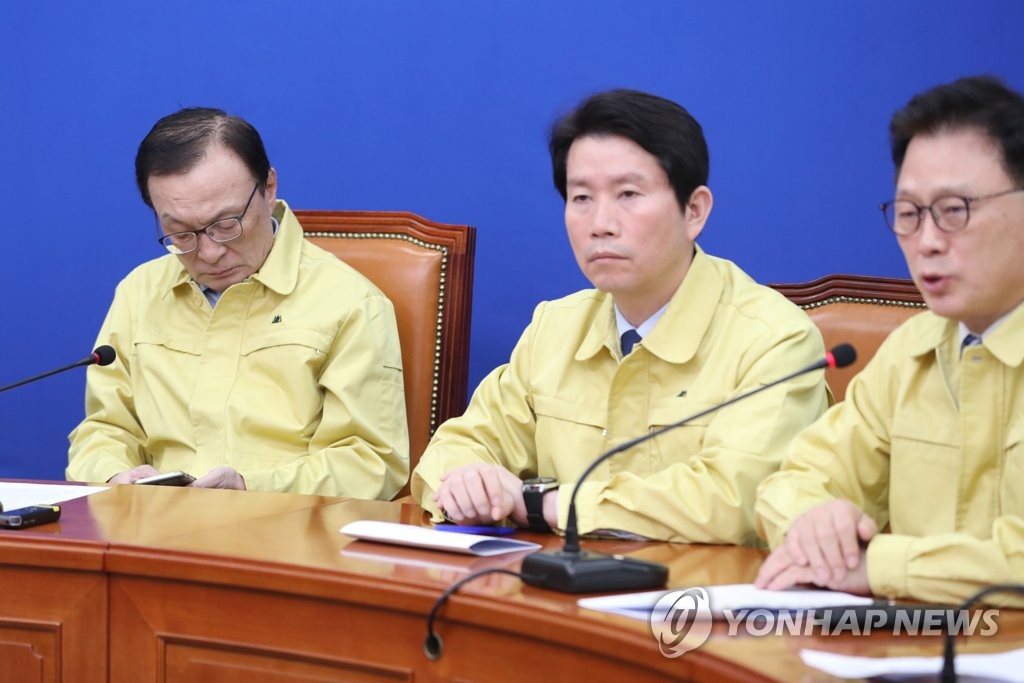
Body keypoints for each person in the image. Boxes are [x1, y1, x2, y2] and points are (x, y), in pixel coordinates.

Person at [411, 89, 828, 543]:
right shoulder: (554, 327)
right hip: (557, 582)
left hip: (703, 587)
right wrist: (469, 485)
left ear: (694, 211)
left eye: (628, 194)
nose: (600, 224)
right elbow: (451, 452)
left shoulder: (775, 340)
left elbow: (734, 501)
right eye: (581, 197)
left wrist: (542, 504)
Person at [755, 75, 1024, 605]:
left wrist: (880, 565)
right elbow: (791, 481)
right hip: (917, 640)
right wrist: (813, 522)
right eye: (909, 214)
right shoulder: (911, 350)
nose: (927, 241)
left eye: (954, 210)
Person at [67, 107, 409, 498]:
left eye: (226, 224)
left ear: (268, 188)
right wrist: (113, 474)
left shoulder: (351, 303)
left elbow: (370, 463)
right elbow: (104, 429)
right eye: (181, 233)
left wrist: (251, 489)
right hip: (155, 523)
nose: (209, 253)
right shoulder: (140, 292)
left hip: (283, 526)